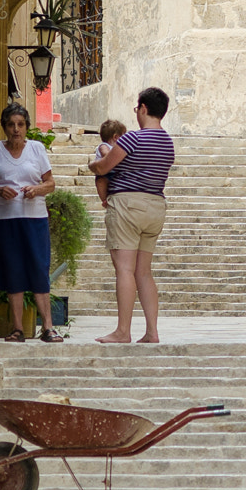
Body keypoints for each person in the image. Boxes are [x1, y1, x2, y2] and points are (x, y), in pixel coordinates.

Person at [87, 86, 175, 344]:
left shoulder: (132, 139)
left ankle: (123, 331)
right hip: (155, 206)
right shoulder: (167, 142)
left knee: (124, 269)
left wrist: (92, 165)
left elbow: (104, 166)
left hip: (128, 204)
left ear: (144, 109)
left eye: (137, 109)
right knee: (144, 272)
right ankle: (151, 332)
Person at [0, 103, 61, 343]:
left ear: (26, 127)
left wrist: (36, 189)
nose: (16, 129)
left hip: (35, 219)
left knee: (38, 267)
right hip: (4, 220)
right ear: (4, 127)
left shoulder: (36, 149)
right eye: (11, 125)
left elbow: (51, 183)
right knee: (12, 270)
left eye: (21, 125)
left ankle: (47, 327)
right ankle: (17, 329)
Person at [90, 119, 127, 209]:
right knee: (100, 182)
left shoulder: (120, 148)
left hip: (115, 172)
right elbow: (106, 154)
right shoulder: (104, 146)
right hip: (105, 172)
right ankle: (104, 199)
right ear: (115, 137)